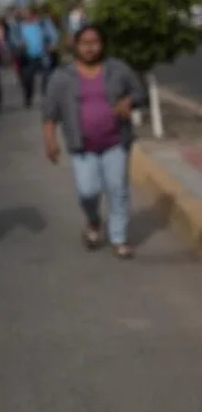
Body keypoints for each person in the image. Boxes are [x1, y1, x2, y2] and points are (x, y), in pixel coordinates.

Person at [42, 25, 144, 259]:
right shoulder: (62, 76)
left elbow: (139, 92)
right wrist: (50, 141)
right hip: (82, 146)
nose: (90, 47)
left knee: (118, 190)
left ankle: (120, 239)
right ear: (76, 46)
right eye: (84, 43)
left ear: (103, 44)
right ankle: (93, 220)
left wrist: (128, 101)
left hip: (115, 142)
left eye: (95, 42)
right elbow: (50, 112)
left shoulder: (118, 69)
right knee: (87, 190)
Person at [10, 6, 59, 108]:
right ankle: (28, 97)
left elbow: (54, 35)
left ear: (33, 14)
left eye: (28, 13)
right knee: (27, 80)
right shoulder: (18, 27)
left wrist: (52, 44)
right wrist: (20, 45)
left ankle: (47, 98)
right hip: (27, 57)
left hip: (43, 56)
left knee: (47, 77)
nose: (26, 16)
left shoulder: (43, 24)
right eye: (24, 14)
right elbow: (13, 40)